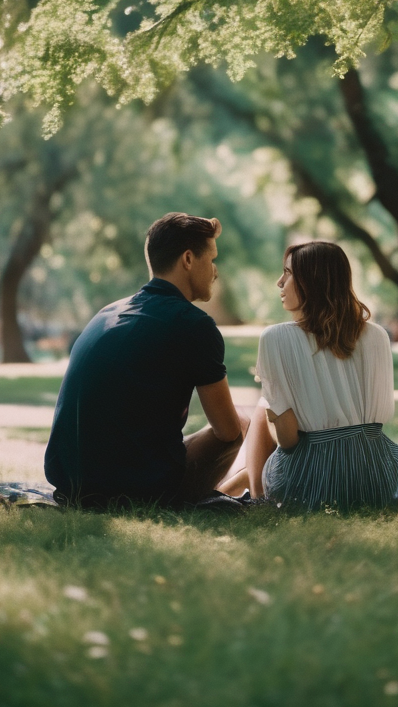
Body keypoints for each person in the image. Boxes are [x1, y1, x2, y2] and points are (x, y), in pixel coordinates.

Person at [44, 213, 249, 509]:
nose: (215, 271)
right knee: (242, 421)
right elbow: (227, 431)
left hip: (71, 481)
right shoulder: (194, 325)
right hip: (135, 490)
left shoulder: (107, 312)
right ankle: (224, 495)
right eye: (212, 259)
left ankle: (223, 492)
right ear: (189, 259)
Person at [219, 241, 398, 509]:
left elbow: (288, 440)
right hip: (376, 480)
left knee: (264, 406)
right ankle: (231, 486)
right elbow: (380, 418)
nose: (279, 282)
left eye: (288, 273)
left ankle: (256, 497)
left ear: (311, 280)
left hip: (311, 487)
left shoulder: (275, 338)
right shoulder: (376, 335)